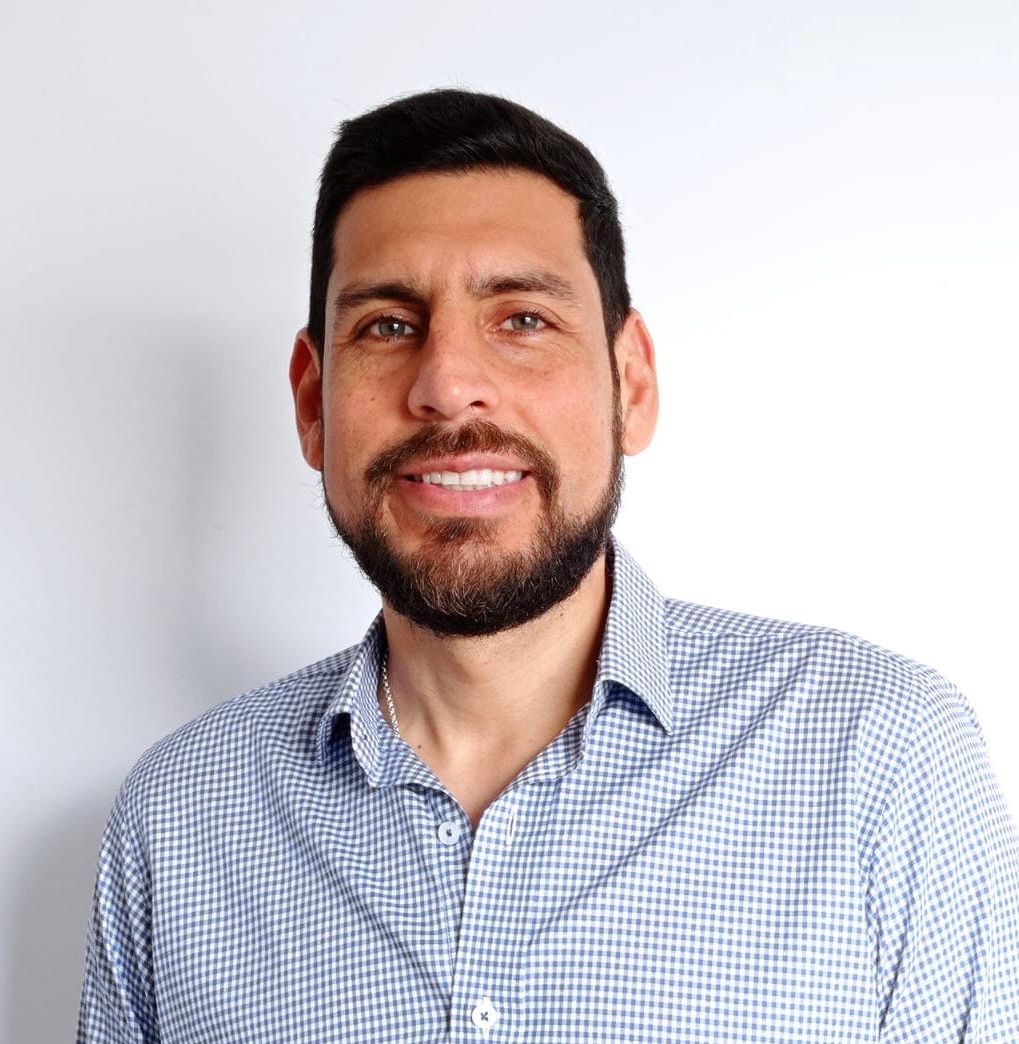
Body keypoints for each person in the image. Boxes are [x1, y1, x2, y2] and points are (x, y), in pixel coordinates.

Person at [78, 89, 1019, 1043]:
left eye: (522, 319)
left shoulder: (879, 757)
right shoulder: (177, 820)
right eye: (389, 326)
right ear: (313, 404)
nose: (449, 385)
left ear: (631, 384)